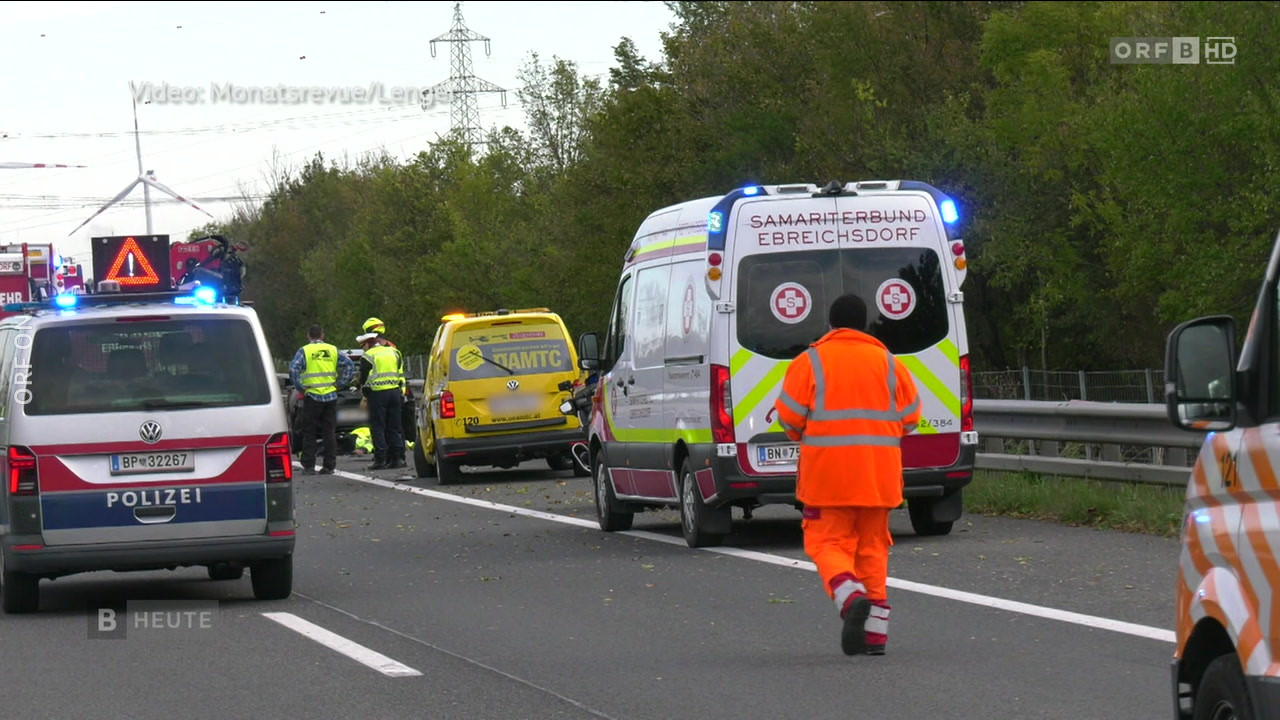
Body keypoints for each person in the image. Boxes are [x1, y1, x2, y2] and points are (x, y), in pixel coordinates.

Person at [772, 293, 921, 657]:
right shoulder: (889, 363)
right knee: (872, 551)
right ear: (865, 323)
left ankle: (849, 595)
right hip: (879, 477)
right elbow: (911, 418)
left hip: (828, 478)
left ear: (831, 324)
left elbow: (789, 419)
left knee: (826, 543)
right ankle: (874, 637)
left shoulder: (811, 362)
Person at [289, 324, 356, 475]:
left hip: (312, 395)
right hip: (331, 396)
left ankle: (309, 466)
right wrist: (339, 384)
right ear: (322, 335)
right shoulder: (332, 349)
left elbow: (293, 369)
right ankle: (329, 466)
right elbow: (350, 365)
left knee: (310, 432)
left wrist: (300, 387)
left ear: (308, 336)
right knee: (329, 431)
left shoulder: (305, 351)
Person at [357, 330, 407, 470]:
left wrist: (363, 390)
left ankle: (380, 459)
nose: (364, 348)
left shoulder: (369, 356)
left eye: (364, 345)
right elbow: (399, 371)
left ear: (368, 343)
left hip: (377, 395)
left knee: (378, 427)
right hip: (394, 393)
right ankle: (397, 458)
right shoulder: (395, 353)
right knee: (394, 426)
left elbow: (363, 378)